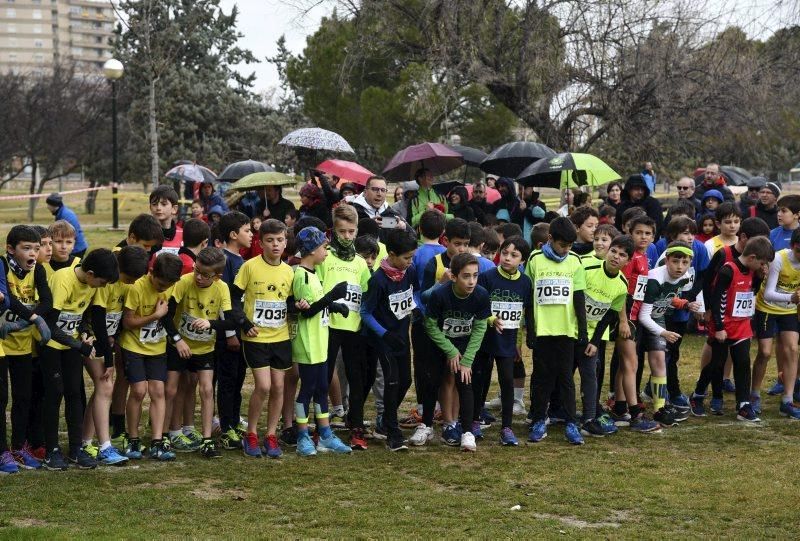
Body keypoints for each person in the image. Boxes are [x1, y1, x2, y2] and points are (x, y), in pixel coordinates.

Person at [41, 249, 118, 470]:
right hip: (51, 346)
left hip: (72, 347)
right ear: (91, 273)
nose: (102, 288)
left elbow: (83, 315)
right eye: (101, 282)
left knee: (75, 393)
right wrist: (78, 345)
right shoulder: (63, 280)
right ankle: (51, 450)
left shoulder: (91, 285)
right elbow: (49, 324)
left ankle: (76, 448)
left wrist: (84, 331)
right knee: (55, 394)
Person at [692, 237, 774, 423]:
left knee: (743, 362)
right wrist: (719, 327)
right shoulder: (728, 270)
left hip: (742, 325)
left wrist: (760, 278)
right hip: (723, 325)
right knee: (717, 363)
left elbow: (750, 292)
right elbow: (717, 297)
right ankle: (698, 393)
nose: (763, 266)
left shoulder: (753, 271)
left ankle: (744, 405)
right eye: (761, 263)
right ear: (752, 257)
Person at [166, 247, 237, 459]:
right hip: (179, 346)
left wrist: (211, 323)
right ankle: (171, 433)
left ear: (217, 276)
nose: (198, 277)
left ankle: (206, 439)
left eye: (205, 275)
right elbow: (167, 315)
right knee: (174, 390)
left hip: (205, 348)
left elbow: (232, 321)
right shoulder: (184, 282)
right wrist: (177, 340)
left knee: (205, 390)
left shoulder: (222, 288)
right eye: (197, 270)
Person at [525, 218, 588, 445]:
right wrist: (530, 329)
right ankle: (539, 420)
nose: (566, 250)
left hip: (566, 330)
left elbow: (579, 296)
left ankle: (571, 423)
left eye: (570, 245)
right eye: (562, 245)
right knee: (542, 377)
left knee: (566, 379)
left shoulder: (574, 261)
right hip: (542, 330)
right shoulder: (535, 259)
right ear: (550, 239)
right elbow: (529, 297)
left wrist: (582, 329)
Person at [84, 246, 148, 466]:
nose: (130, 283)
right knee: (105, 386)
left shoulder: (126, 283)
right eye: (128, 278)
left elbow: (117, 318)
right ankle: (104, 446)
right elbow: (99, 320)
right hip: (91, 340)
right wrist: (109, 359)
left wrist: (116, 337)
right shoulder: (106, 283)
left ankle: (86, 441)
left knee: (101, 390)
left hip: (107, 341)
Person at [291, 226, 351, 456]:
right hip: (307, 343)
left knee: (323, 387)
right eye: (324, 248)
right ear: (311, 250)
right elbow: (307, 312)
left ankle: (325, 433)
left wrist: (335, 306)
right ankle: (303, 435)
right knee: (308, 388)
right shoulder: (301, 275)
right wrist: (333, 296)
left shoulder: (314, 274)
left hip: (320, 340)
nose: (326, 252)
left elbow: (317, 303)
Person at [422, 253, 491, 452]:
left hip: (465, 345)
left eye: (475, 276)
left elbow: (479, 328)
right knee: (434, 381)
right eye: (466, 276)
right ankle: (426, 425)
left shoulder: (481, 295)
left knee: (465, 380)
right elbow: (431, 326)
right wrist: (450, 351)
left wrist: (467, 359)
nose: (471, 281)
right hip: (440, 344)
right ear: (453, 276)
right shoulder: (440, 294)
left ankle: (467, 432)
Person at [316, 205, 372, 450]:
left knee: (356, 378)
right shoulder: (324, 257)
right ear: (333, 230)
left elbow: (367, 293)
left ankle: (357, 426)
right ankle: (322, 427)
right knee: (324, 376)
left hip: (354, 328)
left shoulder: (360, 263)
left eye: (351, 232)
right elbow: (315, 288)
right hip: (328, 325)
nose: (347, 236)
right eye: (342, 231)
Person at [360, 228, 419, 451]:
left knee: (405, 381)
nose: (410, 262)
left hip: (402, 336)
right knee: (392, 382)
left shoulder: (409, 272)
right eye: (406, 258)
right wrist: (384, 333)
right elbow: (365, 312)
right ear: (392, 254)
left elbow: (416, 293)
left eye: (412, 257)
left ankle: (385, 420)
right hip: (384, 340)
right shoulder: (378, 280)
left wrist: (417, 307)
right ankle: (392, 432)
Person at [120, 253, 182, 462]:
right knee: (138, 391)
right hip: (134, 345)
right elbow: (128, 322)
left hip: (157, 347)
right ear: (151, 273)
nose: (163, 288)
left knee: (158, 391)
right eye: (160, 284)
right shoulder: (137, 287)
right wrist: (155, 316)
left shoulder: (170, 285)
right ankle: (133, 438)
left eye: (168, 286)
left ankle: (157, 441)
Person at [473, 237, 532, 446]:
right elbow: (477, 306)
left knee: (507, 380)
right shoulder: (487, 277)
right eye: (505, 253)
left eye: (513, 255)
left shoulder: (525, 282)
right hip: (484, 338)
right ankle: (474, 419)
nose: (507, 258)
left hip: (508, 341)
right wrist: (490, 319)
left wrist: (519, 342)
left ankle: (506, 427)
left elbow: (523, 315)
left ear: (522, 260)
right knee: (480, 379)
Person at [636, 242, 701, 427]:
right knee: (633, 363)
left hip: (657, 319)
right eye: (675, 261)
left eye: (685, 262)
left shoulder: (685, 277)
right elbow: (643, 315)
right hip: (640, 320)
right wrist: (663, 332)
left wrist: (685, 304)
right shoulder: (655, 279)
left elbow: (668, 297)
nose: (680, 266)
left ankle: (659, 408)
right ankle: (625, 404)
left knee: (659, 360)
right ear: (666, 260)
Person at [579, 234, 633, 437]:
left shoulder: (621, 284)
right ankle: (556, 412)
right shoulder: (587, 267)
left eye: (622, 255)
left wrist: (594, 340)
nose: (616, 257)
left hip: (593, 337)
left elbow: (609, 315)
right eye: (614, 251)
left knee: (591, 375)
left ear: (627, 261)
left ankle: (589, 418)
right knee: (563, 373)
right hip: (571, 331)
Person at [751, 227, 800, 418]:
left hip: (788, 310)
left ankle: (787, 400)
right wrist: (791, 297)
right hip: (767, 308)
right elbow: (769, 293)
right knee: (764, 352)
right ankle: (754, 394)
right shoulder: (779, 258)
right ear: (795, 246)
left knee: (792, 349)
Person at [216, 211, 253, 450]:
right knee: (227, 381)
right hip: (228, 333)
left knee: (238, 379)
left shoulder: (242, 261)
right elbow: (223, 299)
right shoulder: (226, 260)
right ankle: (226, 427)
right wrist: (230, 333)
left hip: (241, 331)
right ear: (233, 234)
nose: (252, 235)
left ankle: (234, 420)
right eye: (247, 230)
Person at [45, 194, 88, 258]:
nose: (47, 207)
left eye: (48, 204)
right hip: (78, 245)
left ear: (54, 205)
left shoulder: (64, 216)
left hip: (76, 248)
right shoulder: (63, 212)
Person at [149, 186, 183, 257]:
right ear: (150, 208)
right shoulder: (144, 234)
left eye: (163, 204)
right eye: (154, 204)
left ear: (174, 209)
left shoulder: (184, 235)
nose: (158, 208)